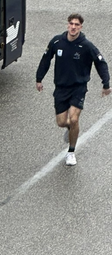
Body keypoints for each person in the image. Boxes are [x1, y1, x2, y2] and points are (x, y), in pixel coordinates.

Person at [36, 13, 110, 166]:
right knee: (62, 122)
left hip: (78, 87)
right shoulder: (57, 42)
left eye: (77, 25)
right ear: (67, 25)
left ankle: (71, 152)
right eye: (71, 24)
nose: (73, 27)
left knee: (74, 118)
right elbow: (45, 60)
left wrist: (106, 83)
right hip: (61, 88)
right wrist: (39, 78)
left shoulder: (86, 46)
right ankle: (70, 129)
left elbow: (101, 63)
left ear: (80, 27)